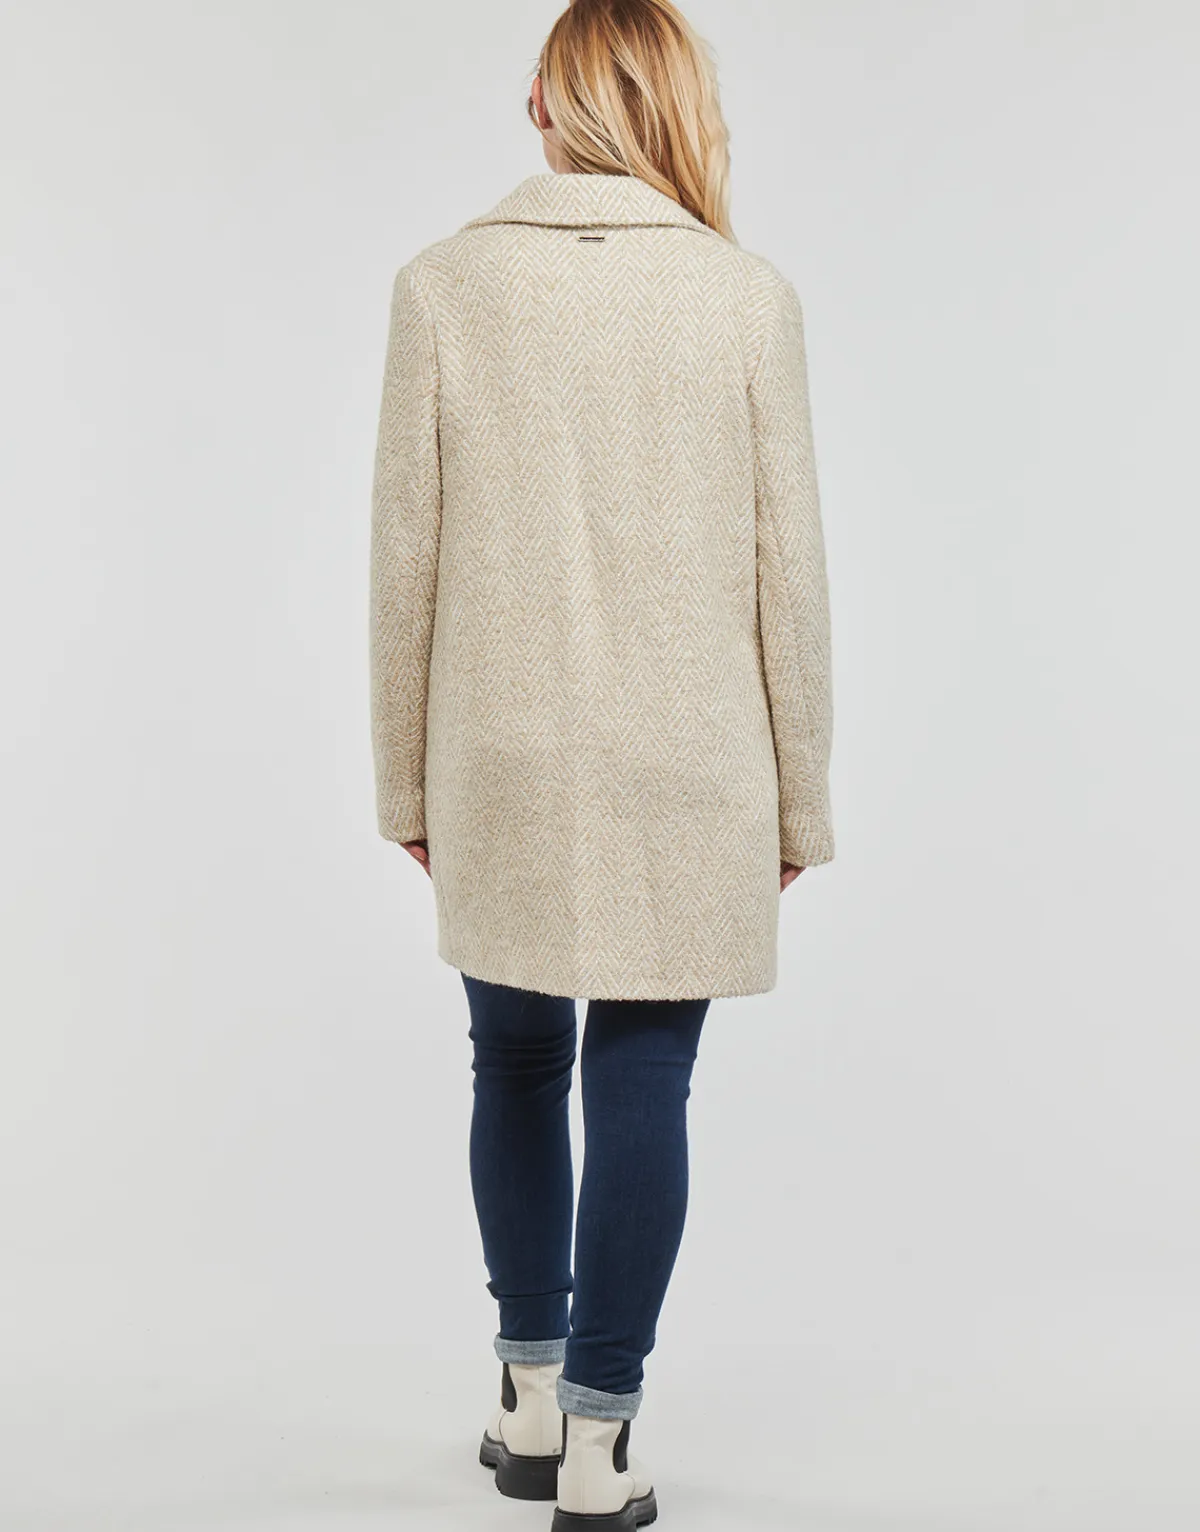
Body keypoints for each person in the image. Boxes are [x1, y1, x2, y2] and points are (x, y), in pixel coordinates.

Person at [368, 1, 834, 1525]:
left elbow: (404, 559)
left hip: (498, 749)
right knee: (648, 1073)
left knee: (513, 1060)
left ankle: (525, 1393)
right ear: (683, 108)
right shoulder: (745, 299)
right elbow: (789, 573)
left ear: (538, 103)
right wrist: (802, 791)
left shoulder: (443, 287)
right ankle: (601, 1444)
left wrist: (406, 781)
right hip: (692, 755)